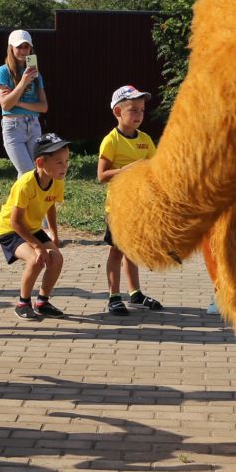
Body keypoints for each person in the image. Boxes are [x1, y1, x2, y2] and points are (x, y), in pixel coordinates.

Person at [96, 85, 164, 317]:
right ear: (118, 112)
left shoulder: (145, 140)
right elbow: (101, 176)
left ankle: (135, 293)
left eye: (142, 110)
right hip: (118, 207)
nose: (139, 115)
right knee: (117, 251)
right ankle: (114, 296)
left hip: (139, 206)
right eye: (133, 110)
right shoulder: (111, 141)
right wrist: (127, 170)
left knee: (132, 251)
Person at [0, 133, 70, 320]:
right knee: (36, 259)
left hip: (32, 228)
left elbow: (51, 205)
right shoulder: (25, 185)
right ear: (40, 163)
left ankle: (42, 302)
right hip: (10, 230)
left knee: (56, 259)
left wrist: (53, 232)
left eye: (66, 161)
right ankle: (23, 303)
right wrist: (37, 246)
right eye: (59, 162)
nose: (65, 167)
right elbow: (15, 222)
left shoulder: (57, 181)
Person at [0, 28, 48, 175]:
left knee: (34, 173)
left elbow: (43, 107)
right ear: (11, 48)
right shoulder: (3, 72)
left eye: (26, 47)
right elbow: (5, 104)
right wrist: (23, 82)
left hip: (34, 125)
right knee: (28, 173)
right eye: (19, 47)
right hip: (13, 126)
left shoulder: (36, 75)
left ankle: (21, 199)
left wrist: (18, 103)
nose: (23, 51)